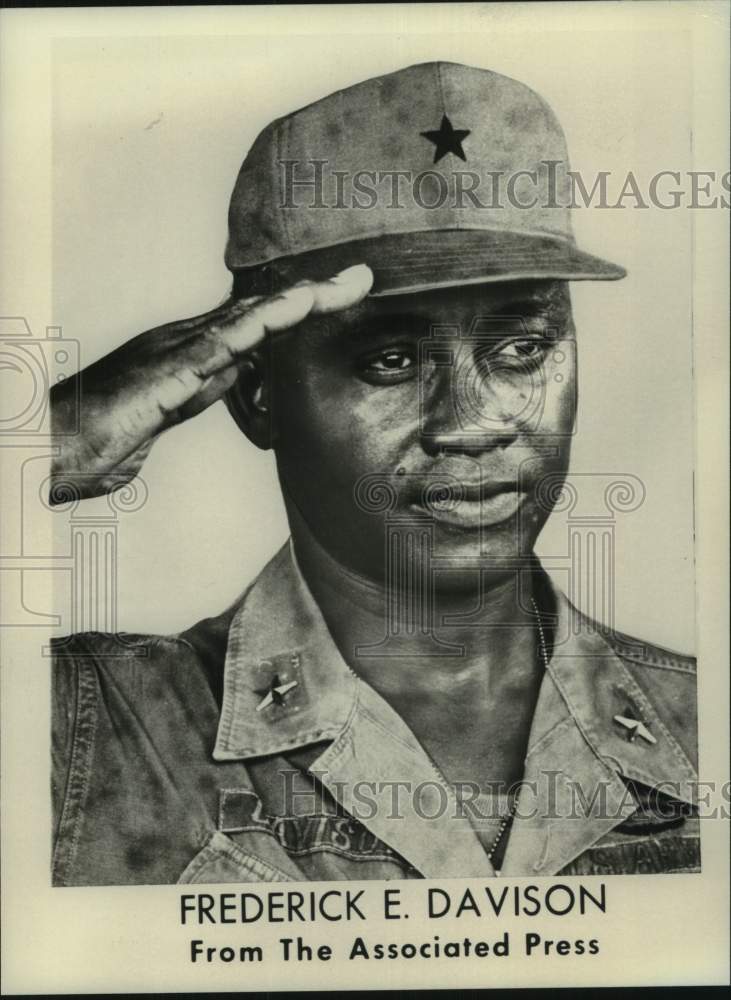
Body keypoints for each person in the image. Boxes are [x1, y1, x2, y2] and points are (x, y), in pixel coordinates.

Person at [50, 61, 698, 886]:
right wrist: (47, 446)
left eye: (521, 349)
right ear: (255, 397)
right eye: (388, 360)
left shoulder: (704, 721)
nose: (468, 423)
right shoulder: (87, 729)